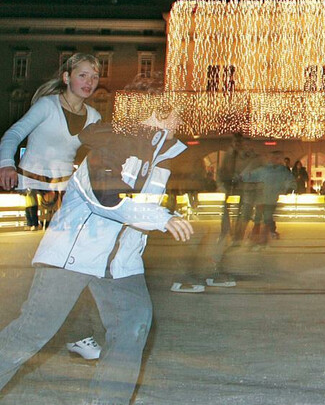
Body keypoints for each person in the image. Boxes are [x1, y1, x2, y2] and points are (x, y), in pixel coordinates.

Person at [0, 102, 194, 404]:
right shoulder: (108, 146)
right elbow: (104, 201)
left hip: (120, 264)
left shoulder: (162, 159)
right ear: (149, 115)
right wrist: (162, 219)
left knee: (133, 325)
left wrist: (161, 215)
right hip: (73, 254)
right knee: (31, 333)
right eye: (173, 113)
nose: (180, 120)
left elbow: (145, 206)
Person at [0, 53, 104, 361]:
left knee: (70, 266)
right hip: (31, 189)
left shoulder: (94, 116)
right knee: (33, 269)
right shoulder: (47, 106)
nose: (89, 82)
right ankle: (20, 335)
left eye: (94, 77)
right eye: (83, 75)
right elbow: (12, 135)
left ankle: (76, 334)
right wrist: (7, 164)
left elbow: (100, 154)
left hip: (64, 197)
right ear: (67, 78)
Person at [247, 152, 295, 248]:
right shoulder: (265, 169)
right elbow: (251, 176)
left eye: (277, 158)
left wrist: (289, 188)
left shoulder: (282, 170)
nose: (276, 160)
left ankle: (262, 239)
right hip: (262, 197)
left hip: (271, 198)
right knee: (259, 217)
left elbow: (290, 180)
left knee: (267, 218)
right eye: (274, 158)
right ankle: (256, 237)